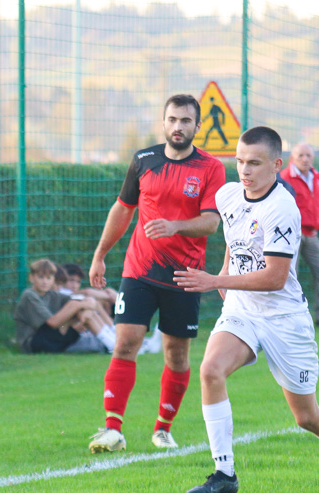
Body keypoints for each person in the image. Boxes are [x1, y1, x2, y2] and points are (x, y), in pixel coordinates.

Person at [173, 126, 319, 493]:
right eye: (239, 161)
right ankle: (224, 473)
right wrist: (223, 276)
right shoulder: (228, 194)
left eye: (254, 163)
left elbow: (275, 276)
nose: (244, 170)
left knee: (307, 417)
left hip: (284, 319)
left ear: (276, 165)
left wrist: (215, 280)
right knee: (210, 370)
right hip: (242, 311)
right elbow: (236, 241)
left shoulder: (283, 208)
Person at [87, 94, 226, 452]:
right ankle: (112, 428)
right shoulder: (144, 160)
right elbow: (123, 209)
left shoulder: (210, 168)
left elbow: (211, 223)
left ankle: (163, 428)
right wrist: (100, 254)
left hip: (185, 276)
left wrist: (175, 226)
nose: (178, 127)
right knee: (126, 341)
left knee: (176, 354)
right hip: (140, 270)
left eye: (185, 121)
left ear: (198, 126)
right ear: (163, 122)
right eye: (172, 119)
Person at [279, 142, 319, 327]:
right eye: (301, 155)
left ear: (313, 157)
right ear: (293, 157)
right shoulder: (285, 178)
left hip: (313, 235)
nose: (305, 159)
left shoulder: (317, 178)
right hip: (292, 236)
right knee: (289, 277)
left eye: (308, 155)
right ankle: (287, 319)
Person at [14, 258, 117, 354]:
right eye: (41, 277)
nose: (45, 282)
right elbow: (52, 322)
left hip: (54, 339)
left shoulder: (52, 294)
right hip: (34, 342)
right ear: (31, 278)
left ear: (53, 279)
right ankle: (113, 344)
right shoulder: (29, 295)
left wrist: (86, 311)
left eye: (49, 278)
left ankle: (114, 345)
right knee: (75, 304)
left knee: (82, 307)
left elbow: (85, 300)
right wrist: (81, 306)